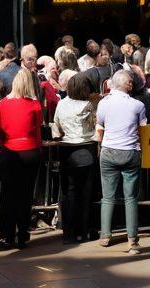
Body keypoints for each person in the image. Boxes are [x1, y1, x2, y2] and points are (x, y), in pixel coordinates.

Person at [96, 69, 146, 254]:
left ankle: (105, 236)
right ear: (129, 85)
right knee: (130, 198)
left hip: (109, 152)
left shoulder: (103, 104)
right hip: (130, 152)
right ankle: (132, 240)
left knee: (108, 197)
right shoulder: (138, 105)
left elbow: (100, 126)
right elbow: (143, 130)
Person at [0, 69, 43, 248]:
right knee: (25, 194)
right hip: (30, 151)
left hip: (9, 151)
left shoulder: (3, 104)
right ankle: (23, 233)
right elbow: (38, 127)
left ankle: (5, 235)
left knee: (7, 194)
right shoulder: (34, 104)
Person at [54, 72, 98, 244]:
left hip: (66, 149)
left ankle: (68, 233)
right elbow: (89, 130)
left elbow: (56, 123)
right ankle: (84, 231)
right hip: (84, 149)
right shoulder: (86, 105)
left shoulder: (61, 103)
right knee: (86, 193)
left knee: (69, 192)